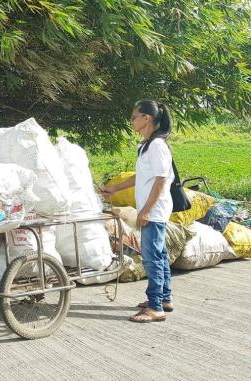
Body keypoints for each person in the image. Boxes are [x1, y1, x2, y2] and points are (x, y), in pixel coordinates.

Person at [101, 100, 175, 323]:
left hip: (155, 210)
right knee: (159, 254)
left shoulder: (157, 145)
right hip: (151, 209)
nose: (132, 121)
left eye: (134, 117)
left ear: (147, 118)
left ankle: (155, 307)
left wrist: (145, 211)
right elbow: (141, 177)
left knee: (151, 257)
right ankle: (164, 299)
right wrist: (115, 188)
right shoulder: (146, 145)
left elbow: (161, 180)